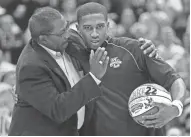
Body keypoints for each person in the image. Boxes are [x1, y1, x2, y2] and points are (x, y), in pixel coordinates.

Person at [65, 2, 187, 136]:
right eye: (88, 28)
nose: (94, 34)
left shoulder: (135, 49)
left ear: (108, 26)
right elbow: (47, 29)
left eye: (100, 26)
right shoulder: (73, 52)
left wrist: (176, 108)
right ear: (78, 28)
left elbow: (174, 80)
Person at [8, 7, 110, 136]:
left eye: (67, 26)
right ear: (43, 39)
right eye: (62, 32)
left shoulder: (68, 38)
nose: (68, 34)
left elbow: (106, 43)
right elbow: (59, 110)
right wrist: (94, 77)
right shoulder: (30, 67)